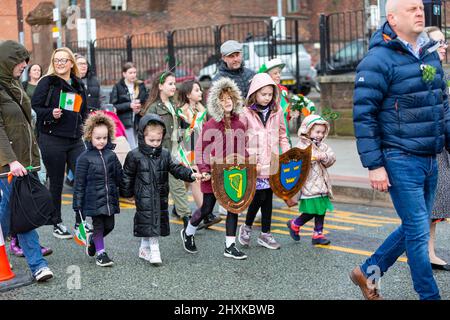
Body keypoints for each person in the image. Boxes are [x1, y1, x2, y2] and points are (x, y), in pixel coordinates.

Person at [351, 0, 449, 300]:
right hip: (398, 157)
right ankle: (429, 296)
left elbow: (441, 107)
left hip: (430, 157)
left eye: (420, 8)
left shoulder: (430, 55)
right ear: (392, 18)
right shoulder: (377, 60)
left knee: (414, 226)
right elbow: (364, 115)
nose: (419, 12)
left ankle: (368, 271)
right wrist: (374, 165)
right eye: (411, 9)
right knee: (418, 233)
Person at [0, 40, 53, 282]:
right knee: (10, 213)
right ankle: (36, 264)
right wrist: (11, 161)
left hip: (24, 162)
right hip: (7, 166)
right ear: (7, 60)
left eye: (26, 60)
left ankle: (37, 264)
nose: (24, 65)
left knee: (20, 211)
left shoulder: (13, 85)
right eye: (20, 60)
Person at [121, 114, 202, 265]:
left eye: (158, 140)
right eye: (151, 140)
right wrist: (127, 193)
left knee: (151, 221)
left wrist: (191, 175)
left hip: (160, 194)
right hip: (143, 195)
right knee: (150, 220)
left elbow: (176, 168)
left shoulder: (164, 154)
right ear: (142, 136)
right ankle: (154, 249)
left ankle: (144, 248)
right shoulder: (134, 155)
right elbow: (127, 175)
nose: (155, 144)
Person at [181, 77, 248, 260]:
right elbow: (201, 149)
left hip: (233, 174)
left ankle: (230, 246)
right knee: (206, 208)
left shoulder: (240, 125)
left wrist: (249, 167)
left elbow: (244, 151)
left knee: (233, 207)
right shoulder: (211, 125)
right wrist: (203, 169)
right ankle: (188, 231)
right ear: (215, 102)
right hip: (211, 174)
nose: (227, 102)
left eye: (230, 98)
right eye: (222, 99)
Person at [32, 47, 90, 240]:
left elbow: (84, 112)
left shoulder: (78, 83)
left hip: (75, 140)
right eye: (56, 60)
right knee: (56, 183)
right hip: (52, 139)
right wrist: (50, 113)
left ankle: (80, 220)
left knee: (83, 178)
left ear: (71, 63)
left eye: (64, 60)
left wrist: (90, 127)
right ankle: (56, 222)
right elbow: (35, 109)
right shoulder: (46, 82)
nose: (60, 63)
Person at [237, 73, 290, 250]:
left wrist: (287, 153)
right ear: (254, 93)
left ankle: (265, 234)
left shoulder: (277, 111)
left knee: (268, 199)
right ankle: (247, 227)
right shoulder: (245, 113)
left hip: (273, 162)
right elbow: (240, 139)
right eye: (263, 94)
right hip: (255, 163)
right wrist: (248, 161)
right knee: (258, 197)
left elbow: (283, 134)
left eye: (269, 94)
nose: (267, 98)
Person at [141, 71, 193, 228]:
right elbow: (147, 135)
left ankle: (187, 220)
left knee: (178, 186)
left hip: (175, 153)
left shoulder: (174, 105)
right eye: (170, 83)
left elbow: (174, 133)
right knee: (157, 191)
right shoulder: (153, 108)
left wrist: (185, 132)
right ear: (160, 86)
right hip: (159, 155)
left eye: (174, 83)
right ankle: (151, 221)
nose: (174, 86)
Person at [73, 112, 122, 267]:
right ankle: (101, 254)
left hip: (109, 199)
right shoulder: (84, 158)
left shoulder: (111, 156)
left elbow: (119, 176)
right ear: (89, 136)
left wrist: (128, 189)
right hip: (93, 199)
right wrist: (77, 205)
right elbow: (79, 183)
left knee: (110, 226)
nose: (101, 141)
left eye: (104, 138)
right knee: (99, 226)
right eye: (98, 138)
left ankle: (93, 241)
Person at [177, 80, 221, 229]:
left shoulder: (202, 109)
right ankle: (206, 213)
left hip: (200, 148)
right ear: (188, 94)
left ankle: (177, 208)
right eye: (197, 90)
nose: (201, 92)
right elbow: (180, 134)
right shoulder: (181, 112)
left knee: (187, 181)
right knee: (196, 179)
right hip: (187, 148)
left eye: (200, 90)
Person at [424, 26, 450, 271]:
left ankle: (428, 252)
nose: (444, 46)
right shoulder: (426, 74)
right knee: (429, 209)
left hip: (440, 148)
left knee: (435, 208)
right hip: (427, 150)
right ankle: (424, 253)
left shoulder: (439, 72)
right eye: (438, 42)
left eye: (445, 41)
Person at [286, 115, 336, 245]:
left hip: (322, 184)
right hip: (308, 184)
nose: (320, 135)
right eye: (317, 132)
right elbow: (295, 163)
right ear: (308, 131)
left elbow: (331, 159)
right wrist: (308, 159)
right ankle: (295, 224)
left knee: (322, 209)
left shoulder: (323, 147)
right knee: (312, 210)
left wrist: (323, 156)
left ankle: (318, 234)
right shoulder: (301, 147)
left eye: (322, 132)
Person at [259, 58, 300, 146]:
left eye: (279, 73)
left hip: (284, 130)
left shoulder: (282, 90)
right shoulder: (263, 92)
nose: (278, 75)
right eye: (275, 73)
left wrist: (291, 113)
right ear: (267, 75)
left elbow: (284, 111)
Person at [110, 62, 148, 149]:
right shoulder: (118, 87)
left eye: (134, 72)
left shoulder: (140, 85)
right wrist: (129, 105)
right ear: (124, 74)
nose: (133, 75)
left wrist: (140, 108)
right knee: (133, 146)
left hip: (139, 120)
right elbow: (114, 106)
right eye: (130, 73)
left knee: (141, 145)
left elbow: (145, 101)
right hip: (126, 122)